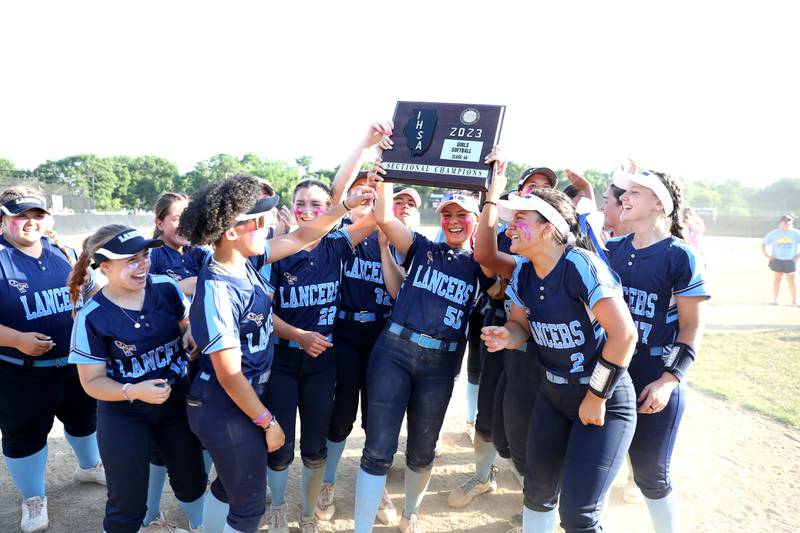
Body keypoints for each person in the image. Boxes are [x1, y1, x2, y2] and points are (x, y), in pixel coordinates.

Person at [180, 173, 373, 533]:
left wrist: (345, 205)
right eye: (259, 220)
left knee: (226, 487)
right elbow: (229, 374)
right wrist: (268, 422)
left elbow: (303, 236)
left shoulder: (243, 260)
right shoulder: (220, 287)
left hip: (241, 398)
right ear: (232, 232)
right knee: (250, 506)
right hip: (226, 404)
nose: (270, 225)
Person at [475, 168, 638, 533]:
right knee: (537, 492)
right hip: (553, 394)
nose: (511, 227)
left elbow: (624, 336)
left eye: (521, 219)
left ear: (549, 226)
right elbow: (521, 327)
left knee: (580, 514)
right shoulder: (523, 272)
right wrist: (507, 336)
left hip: (604, 400)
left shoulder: (581, 264)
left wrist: (596, 396)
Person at [353, 157, 496, 533]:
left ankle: (409, 514)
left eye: (461, 214)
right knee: (378, 448)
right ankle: (362, 526)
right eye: (446, 212)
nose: (452, 219)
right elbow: (384, 216)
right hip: (394, 352)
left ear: (475, 221)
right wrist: (387, 167)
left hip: (440, 364)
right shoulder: (420, 247)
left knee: (422, 448)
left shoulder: (481, 262)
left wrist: (494, 189)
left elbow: (491, 249)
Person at [68, 225, 207, 533]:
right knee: (126, 503)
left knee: (192, 480)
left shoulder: (166, 288)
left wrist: (190, 333)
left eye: (144, 255)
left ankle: (202, 526)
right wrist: (134, 390)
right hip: (125, 412)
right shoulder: (93, 316)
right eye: (130, 259)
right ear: (105, 267)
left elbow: (186, 324)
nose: (143, 264)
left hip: (174, 405)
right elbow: (91, 382)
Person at [607, 169, 710, 533]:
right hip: (612, 371)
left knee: (650, 472)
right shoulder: (612, 250)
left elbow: (691, 326)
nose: (624, 197)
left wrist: (669, 380)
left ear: (659, 204)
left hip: (654, 374)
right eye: (625, 191)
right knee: (596, 461)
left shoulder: (680, 256)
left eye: (636, 191)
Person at [0, 187, 105, 533]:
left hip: (74, 365)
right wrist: (16, 339)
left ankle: (89, 467)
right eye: (20, 216)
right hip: (19, 371)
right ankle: (33, 498)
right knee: (25, 435)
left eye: (37, 215)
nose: (29, 223)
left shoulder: (65, 251)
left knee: (84, 418)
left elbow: (93, 295)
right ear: (4, 219)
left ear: (48, 219)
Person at [314, 124, 398, 525]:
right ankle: (328, 482)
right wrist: (366, 149)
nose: (370, 195)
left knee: (378, 418)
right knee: (342, 414)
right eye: (365, 191)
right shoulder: (344, 235)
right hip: (346, 333)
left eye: (377, 191)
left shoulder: (396, 237)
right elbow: (336, 191)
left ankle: (377, 491)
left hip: (382, 336)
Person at [144, 191, 215, 531]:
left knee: (200, 433)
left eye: (188, 216)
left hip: (200, 360)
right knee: (160, 443)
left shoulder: (199, 252)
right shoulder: (150, 257)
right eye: (175, 217)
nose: (184, 224)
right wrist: (186, 286)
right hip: (163, 364)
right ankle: (150, 511)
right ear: (159, 222)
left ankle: (199, 511)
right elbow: (149, 305)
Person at [149, 192, 212, 297]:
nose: (186, 225)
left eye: (190, 218)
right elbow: (141, 296)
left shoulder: (199, 252)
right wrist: (177, 288)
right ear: (160, 224)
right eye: (177, 219)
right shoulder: (150, 255)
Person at [761, 214, 800, 305]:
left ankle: (794, 300)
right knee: (777, 279)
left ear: (792, 222)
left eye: (789, 222)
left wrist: (797, 257)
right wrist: (767, 256)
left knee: (791, 280)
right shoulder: (774, 233)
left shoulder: (796, 233)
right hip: (777, 260)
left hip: (790, 261)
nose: (787, 224)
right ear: (780, 223)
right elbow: (763, 244)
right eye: (785, 222)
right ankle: (775, 299)